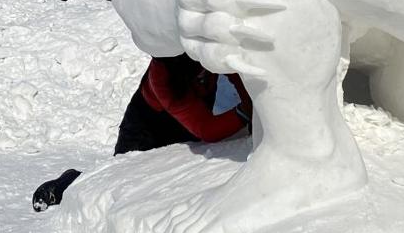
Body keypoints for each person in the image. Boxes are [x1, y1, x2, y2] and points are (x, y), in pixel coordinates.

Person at [32, 53, 251, 210]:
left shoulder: (208, 54)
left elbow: (238, 76)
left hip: (186, 125)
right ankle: (70, 182)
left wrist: (255, 102)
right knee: (116, 182)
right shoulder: (163, 73)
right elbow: (205, 128)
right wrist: (245, 111)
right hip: (146, 128)